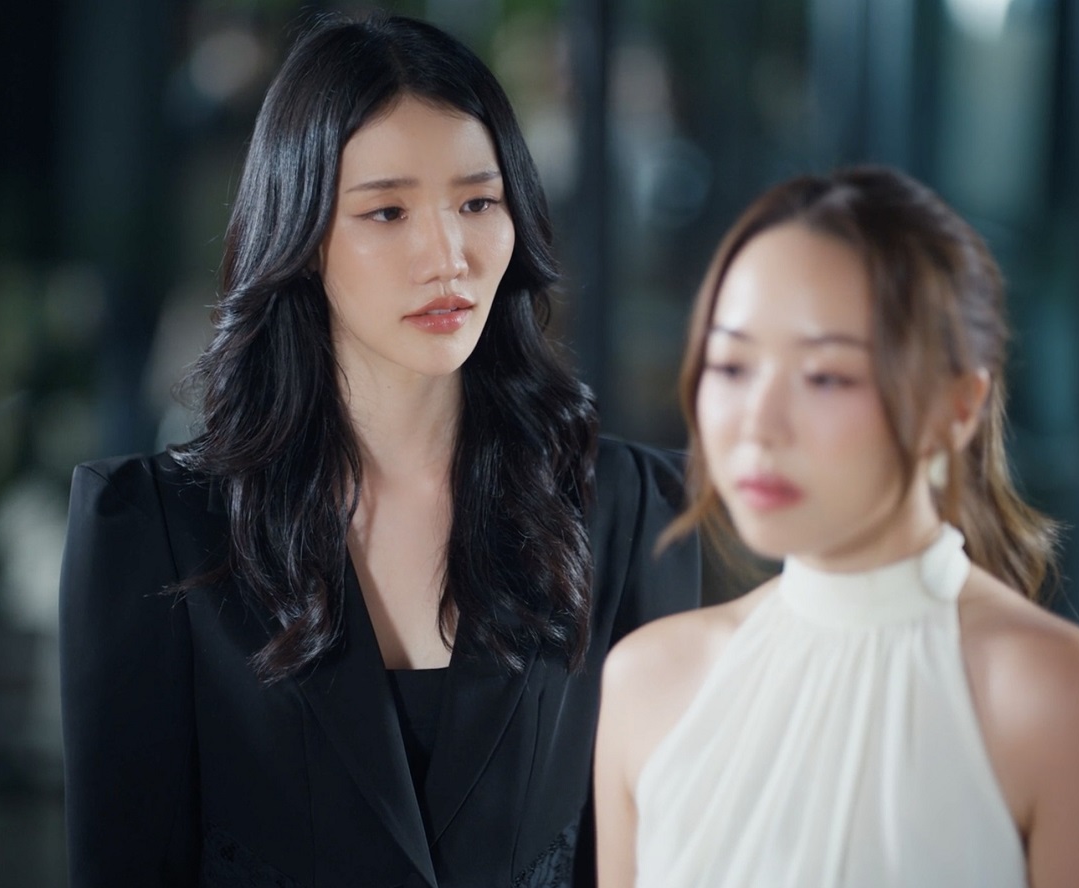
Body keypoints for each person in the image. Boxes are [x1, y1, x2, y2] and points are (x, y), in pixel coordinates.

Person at [58, 11, 700, 888]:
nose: (447, 256)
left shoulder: (629, 510)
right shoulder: (155, 531)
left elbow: (657, 853)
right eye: (387, 211)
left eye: (477, 203)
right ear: (301, 236)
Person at [593, 167, 1079, 887]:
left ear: (956, 407)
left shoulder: (1057, 698)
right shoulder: (649, 680)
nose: (758, 425)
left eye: (826, 377)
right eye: (731, 366)